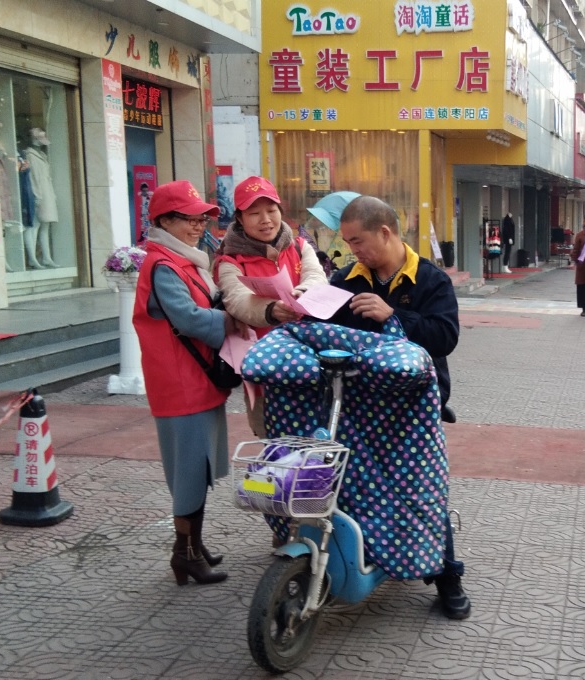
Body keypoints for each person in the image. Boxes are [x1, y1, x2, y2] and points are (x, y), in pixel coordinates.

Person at [327, 195, 469, 620]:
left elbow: (445, 337)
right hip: (358, 401)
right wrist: (303, 306)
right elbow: (323, 328)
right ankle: (361, 555)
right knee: (350, 482)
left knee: (421, 491)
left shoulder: (429, 280)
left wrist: (393, 315)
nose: (353, 250)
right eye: (348, 242)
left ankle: (447, 576)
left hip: (413, 405)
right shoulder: (345, 279)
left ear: (385, 233)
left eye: (358, 241)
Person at [132, 180, 236, 586]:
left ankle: (194, 544)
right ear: (163, 221)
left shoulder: (185, 261)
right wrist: (232, 320)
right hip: (181, 386)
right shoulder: (162, 266)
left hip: (198, 381)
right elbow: (189, 319)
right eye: (188, 219)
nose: (198, 226)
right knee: (189, 473)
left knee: (198, 469)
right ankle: (185, 554)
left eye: (201, 219)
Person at [214, 176, 328, 436]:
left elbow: (316, 276)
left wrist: (302, 293)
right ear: (239, 219)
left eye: (271, 210)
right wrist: (271, 310)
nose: (265, 220)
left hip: (308, 361)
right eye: (254, 213)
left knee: (314, 440)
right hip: (263, 368)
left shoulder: (299, 247)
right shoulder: (230, 260)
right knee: (273, 442)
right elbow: (237, 298)